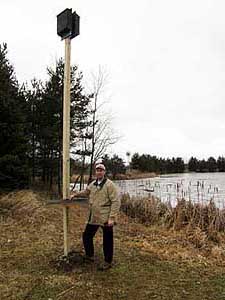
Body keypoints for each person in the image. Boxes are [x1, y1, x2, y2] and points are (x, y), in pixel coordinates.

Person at [70, 163, 120, 270]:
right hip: (94, 217)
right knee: (87, 236)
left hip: (105, 217)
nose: (99, 172)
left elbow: (116, 201)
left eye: (101, 170)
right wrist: (75, 194)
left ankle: (108, 262)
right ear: (95, 172)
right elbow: (86, 191)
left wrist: (112, 218)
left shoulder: (109, 185)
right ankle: (89, 256)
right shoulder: (93, 184)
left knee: (107, 240)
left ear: (104, 172)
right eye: (97, 170)